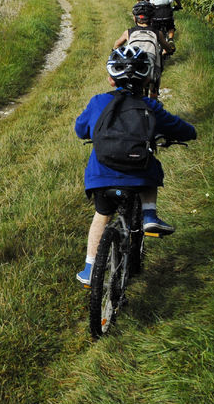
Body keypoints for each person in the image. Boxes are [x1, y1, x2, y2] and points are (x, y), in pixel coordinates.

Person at [74, 47, 196, 285]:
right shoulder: (151, 106)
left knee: (101, 216)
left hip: (102, 177)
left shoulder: (98, 101)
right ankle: (149, 214)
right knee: (152, 167)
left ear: (111, 79)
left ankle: (90, 268)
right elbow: (181, 129)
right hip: (139, 177)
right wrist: (190, 133)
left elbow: (80, 130)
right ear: (147, 78)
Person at [114, 2, 174, 99]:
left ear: (134, 18)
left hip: (134, 64)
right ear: (151, 19)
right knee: (155, 73)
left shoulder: (128, 32)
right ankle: (154, 94)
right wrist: (169, 50)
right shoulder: (157, 33)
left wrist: (114, 50)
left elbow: (117, 44)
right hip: (150, 62)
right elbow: (166, 47)